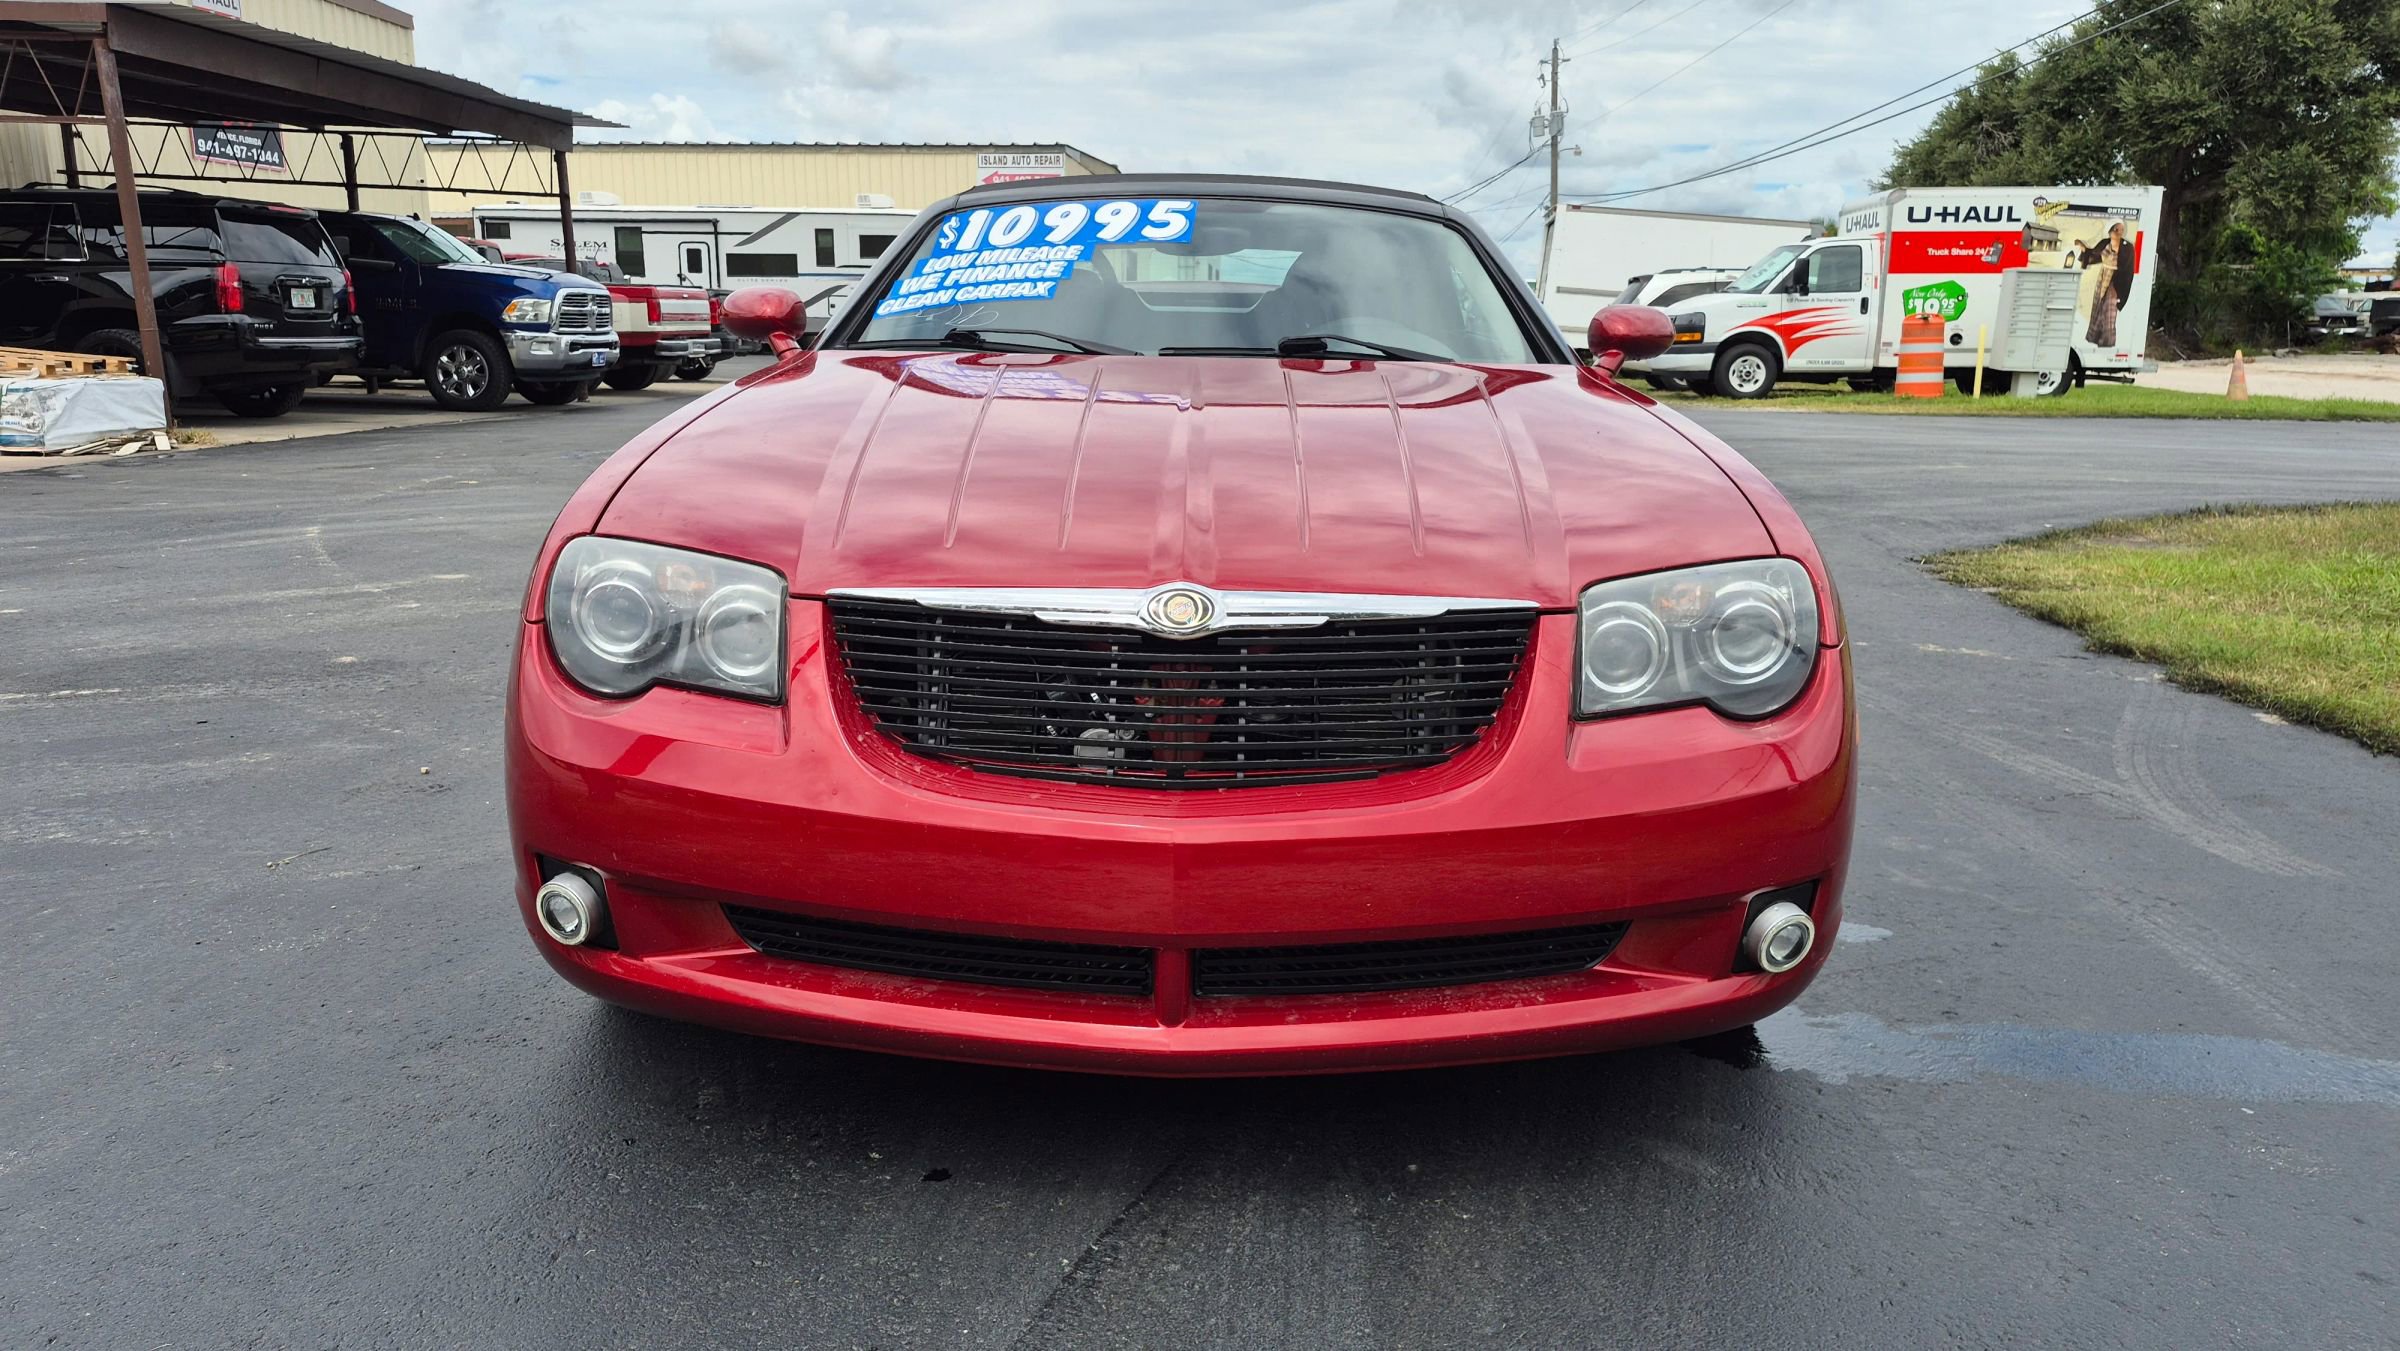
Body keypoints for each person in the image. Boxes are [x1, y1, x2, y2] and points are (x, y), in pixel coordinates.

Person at [2076, 221, 2135, 345]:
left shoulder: (2128, 247)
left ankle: (2107, 342)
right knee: (2098, 307)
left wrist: (2120, 289)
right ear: (2111, 231)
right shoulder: (2104, 243)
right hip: (2103, 277)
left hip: (2117, 281)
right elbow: (2093, 254)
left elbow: (2128, 268)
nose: (2120, 232)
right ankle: (2095, 338)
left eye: (2121, 229)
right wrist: (2083, 250)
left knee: (2110, 309)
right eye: (2117, 229)